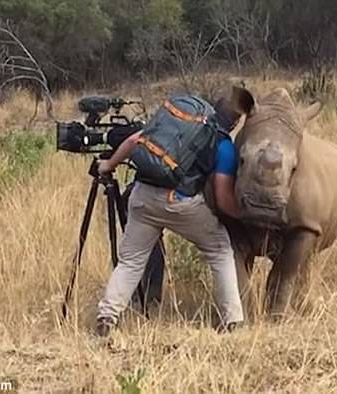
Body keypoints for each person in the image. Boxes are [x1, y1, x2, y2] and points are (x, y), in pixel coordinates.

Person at [95, 96, 244, 336]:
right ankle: (233, 321)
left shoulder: (181, 123)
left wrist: (108, 165)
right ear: (235, 123)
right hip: (180, 204)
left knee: (131, 261)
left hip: (142, 196)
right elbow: (224, 199)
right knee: (219, 251)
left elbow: (135, 140)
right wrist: (244, 215)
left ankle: (107, 317)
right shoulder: (223, 145)